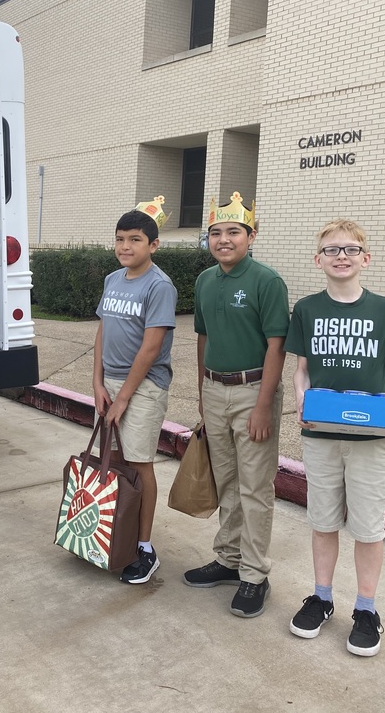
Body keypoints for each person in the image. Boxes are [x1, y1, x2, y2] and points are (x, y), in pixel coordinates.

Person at [285, 219, 385, 657]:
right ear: (317, 258)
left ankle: (366, 610)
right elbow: (302, 369)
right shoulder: (306, 309)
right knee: (323, 522)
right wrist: (302, 403)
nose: (340, 256)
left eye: (350, 249)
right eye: (331, 249)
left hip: (373, 440)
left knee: (368, 528)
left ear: (366, 257)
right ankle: (322, 598)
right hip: (322, 436)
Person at [183, 192, 289, 619]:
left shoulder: (267, 281)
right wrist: (202, 393)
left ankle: (255, 574)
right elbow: (202, 338)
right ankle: (228, 559)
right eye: (216, 233)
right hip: (215, 390)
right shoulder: (205, 281)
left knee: (255, 487)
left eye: (233, 232)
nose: (223, 240)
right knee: (225, 481)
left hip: (253, 392)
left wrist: (264, 406)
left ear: (251, 235)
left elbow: (277, 346)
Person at [92, 196, 176, 584]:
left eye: (135, 240)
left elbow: (151, 347)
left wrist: (123, 396)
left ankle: (144, 548)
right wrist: (97, 384)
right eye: (120, 239)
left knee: (139, 464)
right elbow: (103, 330)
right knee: (116, 463)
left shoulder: (160, 286)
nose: (125, 247)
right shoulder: (112, 279)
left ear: (153, 245)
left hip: (142, 388)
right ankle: (117, 534)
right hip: (110, 384)